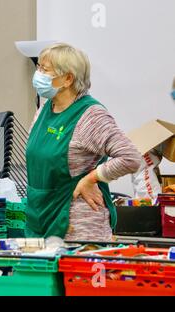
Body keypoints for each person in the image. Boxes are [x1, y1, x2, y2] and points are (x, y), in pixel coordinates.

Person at [25, 43, 141, 241]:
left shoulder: (90, 115)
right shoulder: (44, 111)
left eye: (45, 70)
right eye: (38, 68)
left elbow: (131, 157)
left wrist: (92, 178)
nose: (38, 75)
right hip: (39, 218)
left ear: (68, 78)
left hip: (77, 227)